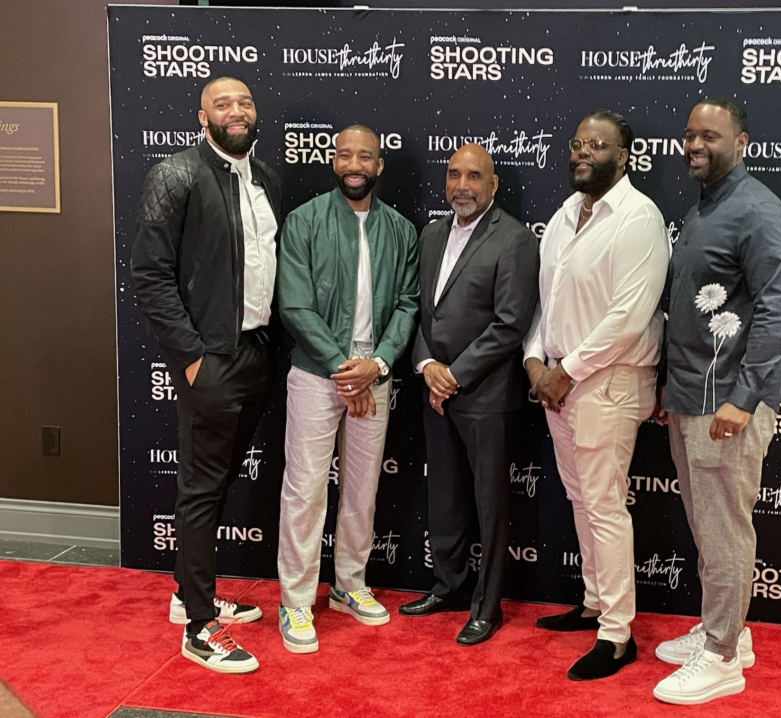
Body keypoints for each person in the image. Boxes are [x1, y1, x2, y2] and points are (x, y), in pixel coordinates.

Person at [131, 77, 281, 673]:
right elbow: (149, 274)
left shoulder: (266, 176)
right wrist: (193, 355)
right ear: (201, 116)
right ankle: (198, 627)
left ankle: (185, 592)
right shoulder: (175, 175)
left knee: (214, 486)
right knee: (199, 490)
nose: (237, 111)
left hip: (257, 354)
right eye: (224, 103)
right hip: (209, 361)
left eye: (245, 102)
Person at [651, 96, 781, 705]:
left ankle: (720, 658)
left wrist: (744, 397)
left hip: (726, 405)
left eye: (710, 135)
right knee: (707, 527)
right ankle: (728, 635)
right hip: (690, 396)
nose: (696, 145)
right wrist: (671, 390)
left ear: (742, 141)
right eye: (689, 135)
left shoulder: (760, 212)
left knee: (726, 528)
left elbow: (772, 312)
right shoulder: (707, 207)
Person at [524, 109, 670, 680]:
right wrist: (536, 358)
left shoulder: (639, 217)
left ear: (624, 155)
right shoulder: (565, 215)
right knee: (582, 498)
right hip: (559, 381)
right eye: (578, 143)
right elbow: (548, 301)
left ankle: (617, 634)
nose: (585, 152)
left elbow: (629, 317)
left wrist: (568, 370)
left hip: (607, 382)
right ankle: (593, 603)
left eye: (599, 145)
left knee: (605, 504)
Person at [275, 124, 419, 654]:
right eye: (344, 155)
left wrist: (375, 365)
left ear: (380, 165)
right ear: (333, 162)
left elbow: (407, 305)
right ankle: (295, 598)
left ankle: (349, 585)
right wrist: (344, 367)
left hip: (374, 375)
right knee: (306, 488)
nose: (354, 163)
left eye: (365, 155)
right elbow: (294, 304)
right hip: (318, 375)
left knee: (361, 490)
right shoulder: (304, 221)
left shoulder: (400, 230)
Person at [398, 144, 539, 646]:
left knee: (489, 504)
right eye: (454, 174)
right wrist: (426, 365)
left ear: (493, 184)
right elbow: (417, 310)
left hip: (485, 395)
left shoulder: (516, 240)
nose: (463, 185)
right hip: (435, 389)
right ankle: (450, 586)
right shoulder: (431, 234)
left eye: (474, 176)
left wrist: (453, 374)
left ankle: (487, 604)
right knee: (447, 498)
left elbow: (510, 324)